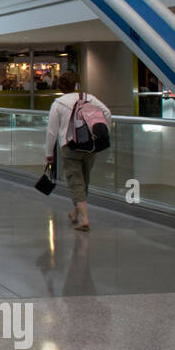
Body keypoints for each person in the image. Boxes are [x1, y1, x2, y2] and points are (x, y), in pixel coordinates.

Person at [45, 72, 112, 232]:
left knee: (76, 181)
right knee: (84, 180)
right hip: (90, 146)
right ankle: (76, 212)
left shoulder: (58, 103)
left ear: (60, 87)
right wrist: (103, 132)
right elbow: (107, 113)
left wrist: (49, 153)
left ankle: (85, 219)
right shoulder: (88, 98)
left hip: (70, 147)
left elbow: (52, 131)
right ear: (75, 84)